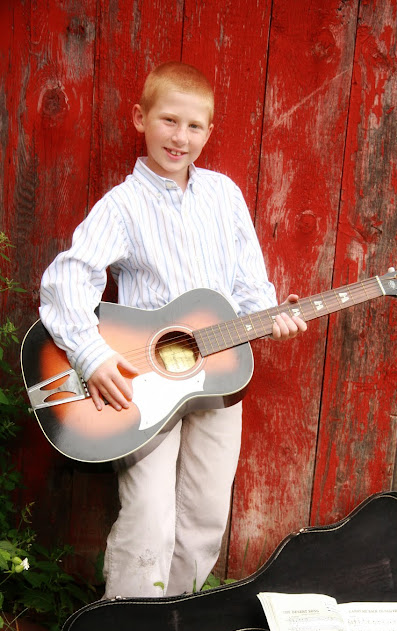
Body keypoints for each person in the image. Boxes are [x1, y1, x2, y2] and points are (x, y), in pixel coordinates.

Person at [39, 61, 307, 599]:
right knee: (149, 516)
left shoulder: (224, 196)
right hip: (144, 382)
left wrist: (271, 314)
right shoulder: (124, 205)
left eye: (194, 126)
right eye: (168, 120)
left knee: (206, 513)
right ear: (140, 118)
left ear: (210, 131)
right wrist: (92, 356)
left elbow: (248, 281)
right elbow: (66, 279)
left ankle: (170, 626)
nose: (180, 137)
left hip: (217, 380)